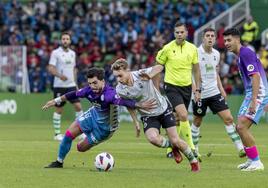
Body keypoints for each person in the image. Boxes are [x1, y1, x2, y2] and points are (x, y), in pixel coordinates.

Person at [43, 67, 156, 168]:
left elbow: (124, 102)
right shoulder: (88, 90)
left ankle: (89, 139)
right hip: (92, 115)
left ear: (103, 81)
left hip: (104, 129)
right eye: (90, 83)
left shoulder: (110, 94)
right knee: (68, 135)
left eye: (95, 83)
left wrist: (140, 105)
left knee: (80, 148)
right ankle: (59, 162)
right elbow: (73, 94)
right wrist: (55, 101)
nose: (92, 86)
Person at [111, 58, 200, 172]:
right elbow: (130, 105)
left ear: (127, 70)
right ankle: (172, 147)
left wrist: (150, 75)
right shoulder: (120, 89)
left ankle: (193, 162)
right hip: (148, 115)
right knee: (153, 139)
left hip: (163, 109)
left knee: (176, 140)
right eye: (116, 77)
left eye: (120, 75)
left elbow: (160, 67)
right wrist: (136, 122)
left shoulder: (140, 74)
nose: (118, 79)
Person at [190, 28, 245, 160]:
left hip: (214, 92)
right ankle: (194, 149)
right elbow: (189, 73)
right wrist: (195, 90)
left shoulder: (216, 54)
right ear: (203, 38)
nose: (210, 38)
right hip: (200, 94)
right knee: (197, 121)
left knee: (229, 118)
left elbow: (216, 74)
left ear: (215, 39)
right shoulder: (195, 53)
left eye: (212, 36)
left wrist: (221, 89)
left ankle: (240, 148)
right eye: (207, 36)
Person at [223, 28, 268, 171]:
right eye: (225, 40)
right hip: (252, 93)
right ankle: (251, 159)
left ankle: (257, 162)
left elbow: (255, 76)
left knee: (242, 126)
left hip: (258, 92)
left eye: (229, 40)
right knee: (240, 127)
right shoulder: (241, 55)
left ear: (237, 39)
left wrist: (254, 100)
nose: (226, 43)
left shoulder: (246, 53)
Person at [155, 22, 201, 158]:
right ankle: (192, 148)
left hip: (186, 87)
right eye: (177, 32)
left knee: (176, 118)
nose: (179, 34)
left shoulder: (192, 49)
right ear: (174, 33)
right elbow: (157, 68)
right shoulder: (167, 48)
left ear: (186, 33)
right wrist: (157, 89)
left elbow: (197, 69)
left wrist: (197, 89)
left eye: (182, 32)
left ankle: (171, 148)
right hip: (171, 86)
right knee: (184, 115)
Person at [48, 31, 83, 141]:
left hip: (71, 85)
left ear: (70, 41)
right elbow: (51, 68)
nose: (65, 41)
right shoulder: (55, 53)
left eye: (67, 39)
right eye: (63, 39)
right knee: (59, 109)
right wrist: (59, 75)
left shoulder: (73, 53)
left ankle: (80, 131)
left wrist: (76, 84)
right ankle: (57, 134)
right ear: (60, 40)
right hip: (59, 85)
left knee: (78, 107)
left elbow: (74, 69)